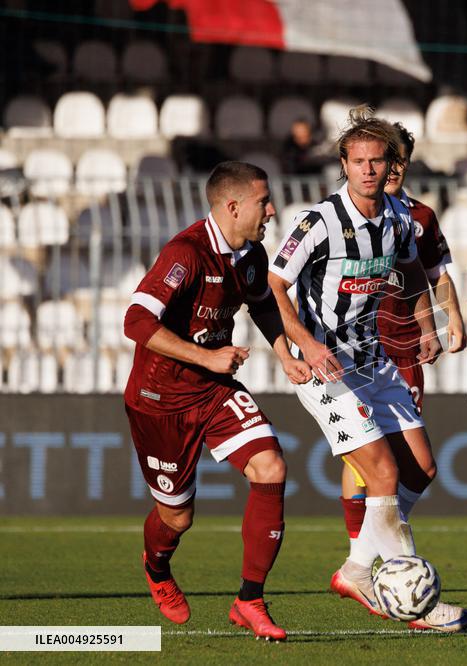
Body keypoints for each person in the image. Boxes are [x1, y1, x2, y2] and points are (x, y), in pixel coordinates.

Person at [266, 106, 467, 632]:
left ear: (391, 167)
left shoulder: (400, 220)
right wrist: (300, 347)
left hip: (376, 361)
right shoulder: (318, 223)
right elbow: (272, 287)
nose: (367, 169)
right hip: (328, 369)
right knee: (381, 473)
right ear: (344, 163)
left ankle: (357, 568)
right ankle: (417, 602)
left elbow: (411, 270)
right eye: (357, 161)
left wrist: (427, 322)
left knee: (421, 469)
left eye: (376, 161)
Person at [122, 161, 312, 641]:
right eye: (263, 201)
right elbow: (136, 323)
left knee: (270, 467)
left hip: (214, 391)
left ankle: (249, 600)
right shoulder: (184, 253)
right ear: (233, 206)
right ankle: (158, 567)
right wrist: (206, 358)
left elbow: (263, 303)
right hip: (159, 398)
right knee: (177, 517)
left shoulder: (251, 254)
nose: (271, 209)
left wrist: (284, 354)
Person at [338, 121, 466, 567]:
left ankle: (369, 550)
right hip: (361, 347)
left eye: (395, 160)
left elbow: (435, 275)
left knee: (415, 465)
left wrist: (446, 321)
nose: (387, 169)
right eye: (379, 159)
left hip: (406, 348)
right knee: (364, 454)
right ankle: (364, 555)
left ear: (403, 164)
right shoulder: (348, 217)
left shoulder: (420, 217)